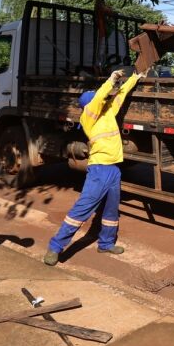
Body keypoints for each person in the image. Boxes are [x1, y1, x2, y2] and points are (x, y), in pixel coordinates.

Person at [44, 68, 144, 265]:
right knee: (82, 209)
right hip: (99, 170)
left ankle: (106, 244)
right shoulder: (87, 117)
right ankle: (55, 248)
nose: (106, 100)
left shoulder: (108, 112)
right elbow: (100, 98)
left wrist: (135, 77)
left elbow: (121, 94)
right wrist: (112, 79)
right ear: (89, 105)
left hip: (114, 169)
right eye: (101, 99)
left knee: (111, 210)